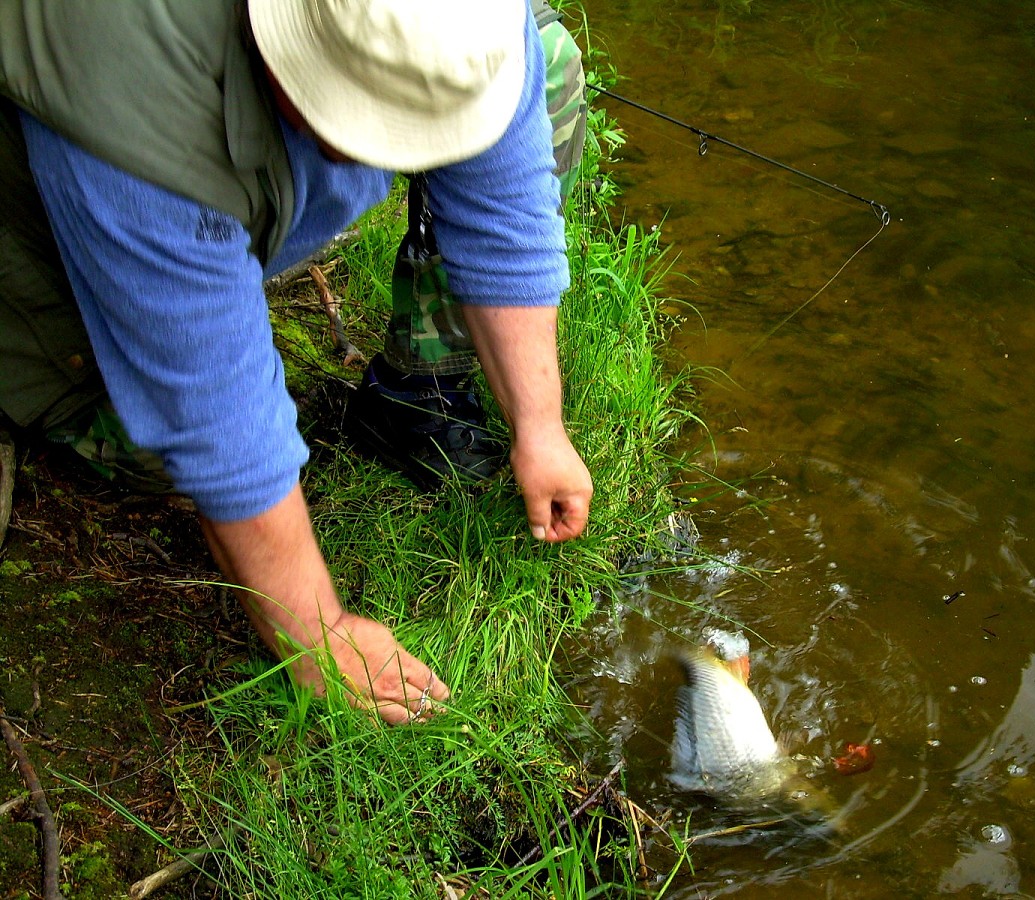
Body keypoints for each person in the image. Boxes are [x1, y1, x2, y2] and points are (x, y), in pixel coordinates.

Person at [0, 0, 592, 725]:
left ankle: (418, 393)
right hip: (53, 225)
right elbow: (211, 418)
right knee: (151, 449)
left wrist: (539, 424)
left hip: (187, 182)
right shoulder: (126, 76)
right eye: (365, 121)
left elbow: (504, 205)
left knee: (549, 58)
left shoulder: (469, 22)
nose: (392, 152)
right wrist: (316, 635)